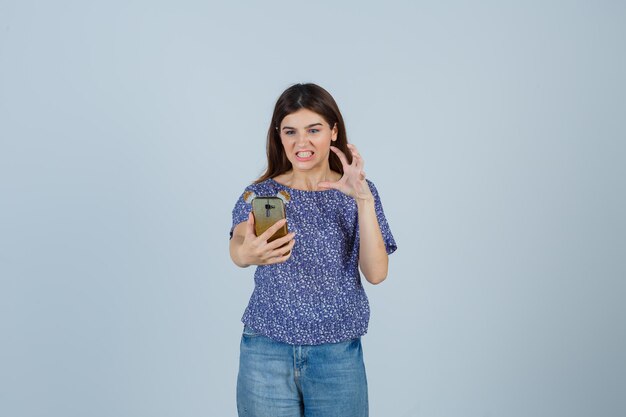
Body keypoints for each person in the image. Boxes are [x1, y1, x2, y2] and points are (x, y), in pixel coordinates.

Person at [228, 83, 397, 417]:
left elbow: (377, 273)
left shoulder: (360, 193)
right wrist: (247, 254)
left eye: (313, 130)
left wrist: (362, 199)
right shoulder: (260, 193)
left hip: (337, 355)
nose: (300, 143)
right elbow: (237, 247)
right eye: (290, 131)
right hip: (266, 351)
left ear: (333, 132)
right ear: (278, 135)